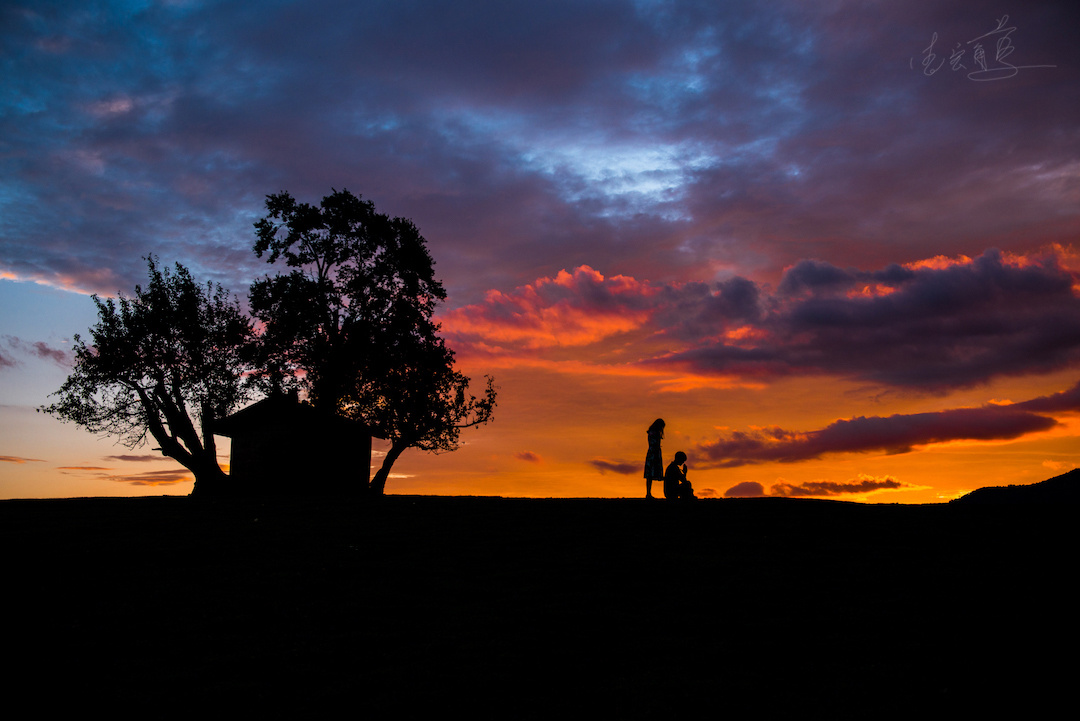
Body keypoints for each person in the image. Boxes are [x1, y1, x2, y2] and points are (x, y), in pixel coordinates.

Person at [644, 418, 665, 499]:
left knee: (649, 475)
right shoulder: (654, 433)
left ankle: (648, 493)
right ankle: (648, 493)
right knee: (650, 474)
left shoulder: (651, 432)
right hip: (654, 453)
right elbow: (654, 444)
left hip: (652, 453)